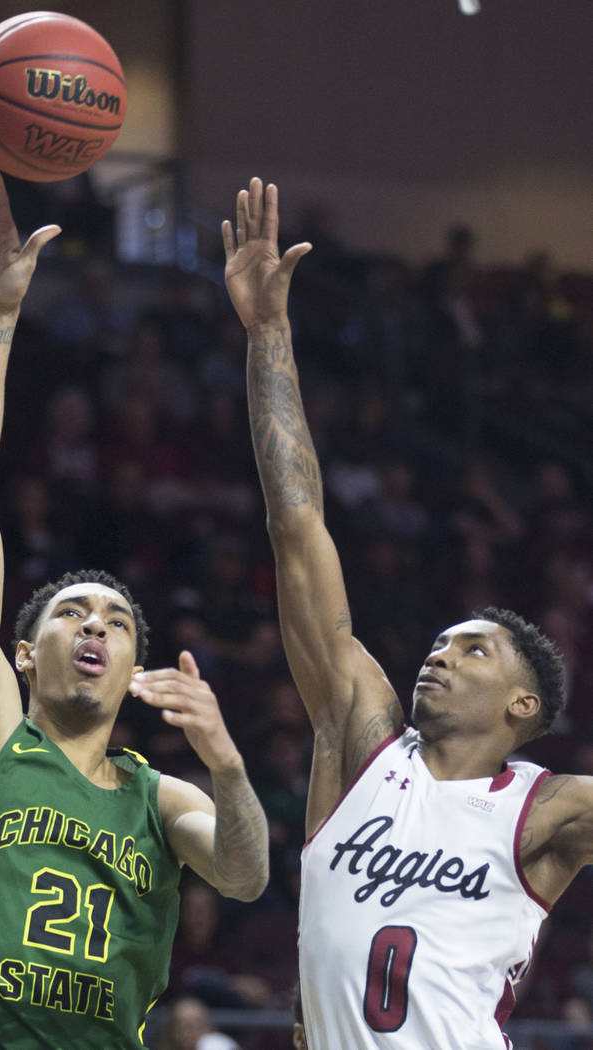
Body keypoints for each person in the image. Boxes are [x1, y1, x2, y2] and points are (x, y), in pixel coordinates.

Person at [222, 177, 593, 1050]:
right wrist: (268, 332)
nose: (442, 654)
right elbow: (296, 521)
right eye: (441, 641)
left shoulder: (547, 811)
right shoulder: (358, 740)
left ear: (522, 706)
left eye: (473, 651)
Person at [0, 161, 269, 1050]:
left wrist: (226, 766)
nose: (96, 625)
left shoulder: (158, 797)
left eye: (115, 621)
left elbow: (244, 875)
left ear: (135, 669)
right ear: (23, 654)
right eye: (71, 612)